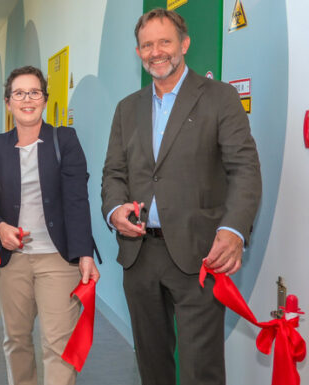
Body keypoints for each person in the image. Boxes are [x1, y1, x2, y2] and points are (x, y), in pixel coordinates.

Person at [101, 9, 262, 385]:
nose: (155, 52)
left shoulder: (219, 98)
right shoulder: (127, 109)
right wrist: (115, 210)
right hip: (139, 256)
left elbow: (245, 169)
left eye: (164, 42)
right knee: (153, 366)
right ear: (138, 52)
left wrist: (234, 231)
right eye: (146, 45)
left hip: (200, 255)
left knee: (199, 370)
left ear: (184, 44)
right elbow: (114, 173)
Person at [0, 66, 100, 385]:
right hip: (12, 261)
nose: (27, 99)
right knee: (16, 341)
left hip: (58, 259)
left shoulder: (65, 139)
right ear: (8, 102)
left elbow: (77, 198)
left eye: (34, 92)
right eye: (19, 93)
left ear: (45, 99)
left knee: (59, 346)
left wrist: (84, 254)